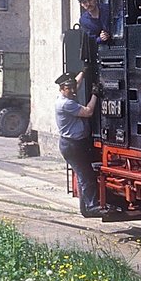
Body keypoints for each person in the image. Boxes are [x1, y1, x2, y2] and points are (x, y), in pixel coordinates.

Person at [55, 71, 105, 217]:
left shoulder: (66, 97)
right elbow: (88, 112)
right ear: (61, 89)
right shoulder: (66, 104)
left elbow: (76, 83)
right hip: (72, 145)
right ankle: (91, 206)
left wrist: (83, 72)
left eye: (72, 87)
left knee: (85, 174)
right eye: (68, 88)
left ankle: (87, 206)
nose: (72, 90)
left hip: (75, 144)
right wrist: (95, 95)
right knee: (86, 175)